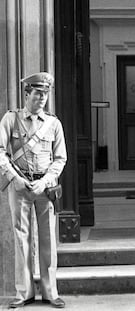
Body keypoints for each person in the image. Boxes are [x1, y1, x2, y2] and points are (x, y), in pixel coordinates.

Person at [0, 72, 67, 308]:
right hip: (19, 188)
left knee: (48, 240)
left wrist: (46, 180)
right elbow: (0, 151)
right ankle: (23, 293)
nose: (42, 99)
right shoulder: (10, 119)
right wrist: (13, 178)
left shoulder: (53, 123)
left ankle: (50, 292)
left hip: (45, 188)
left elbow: (60, 158)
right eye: (38, 94)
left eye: (45, 94)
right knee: (21, 239)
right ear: (26, 94)